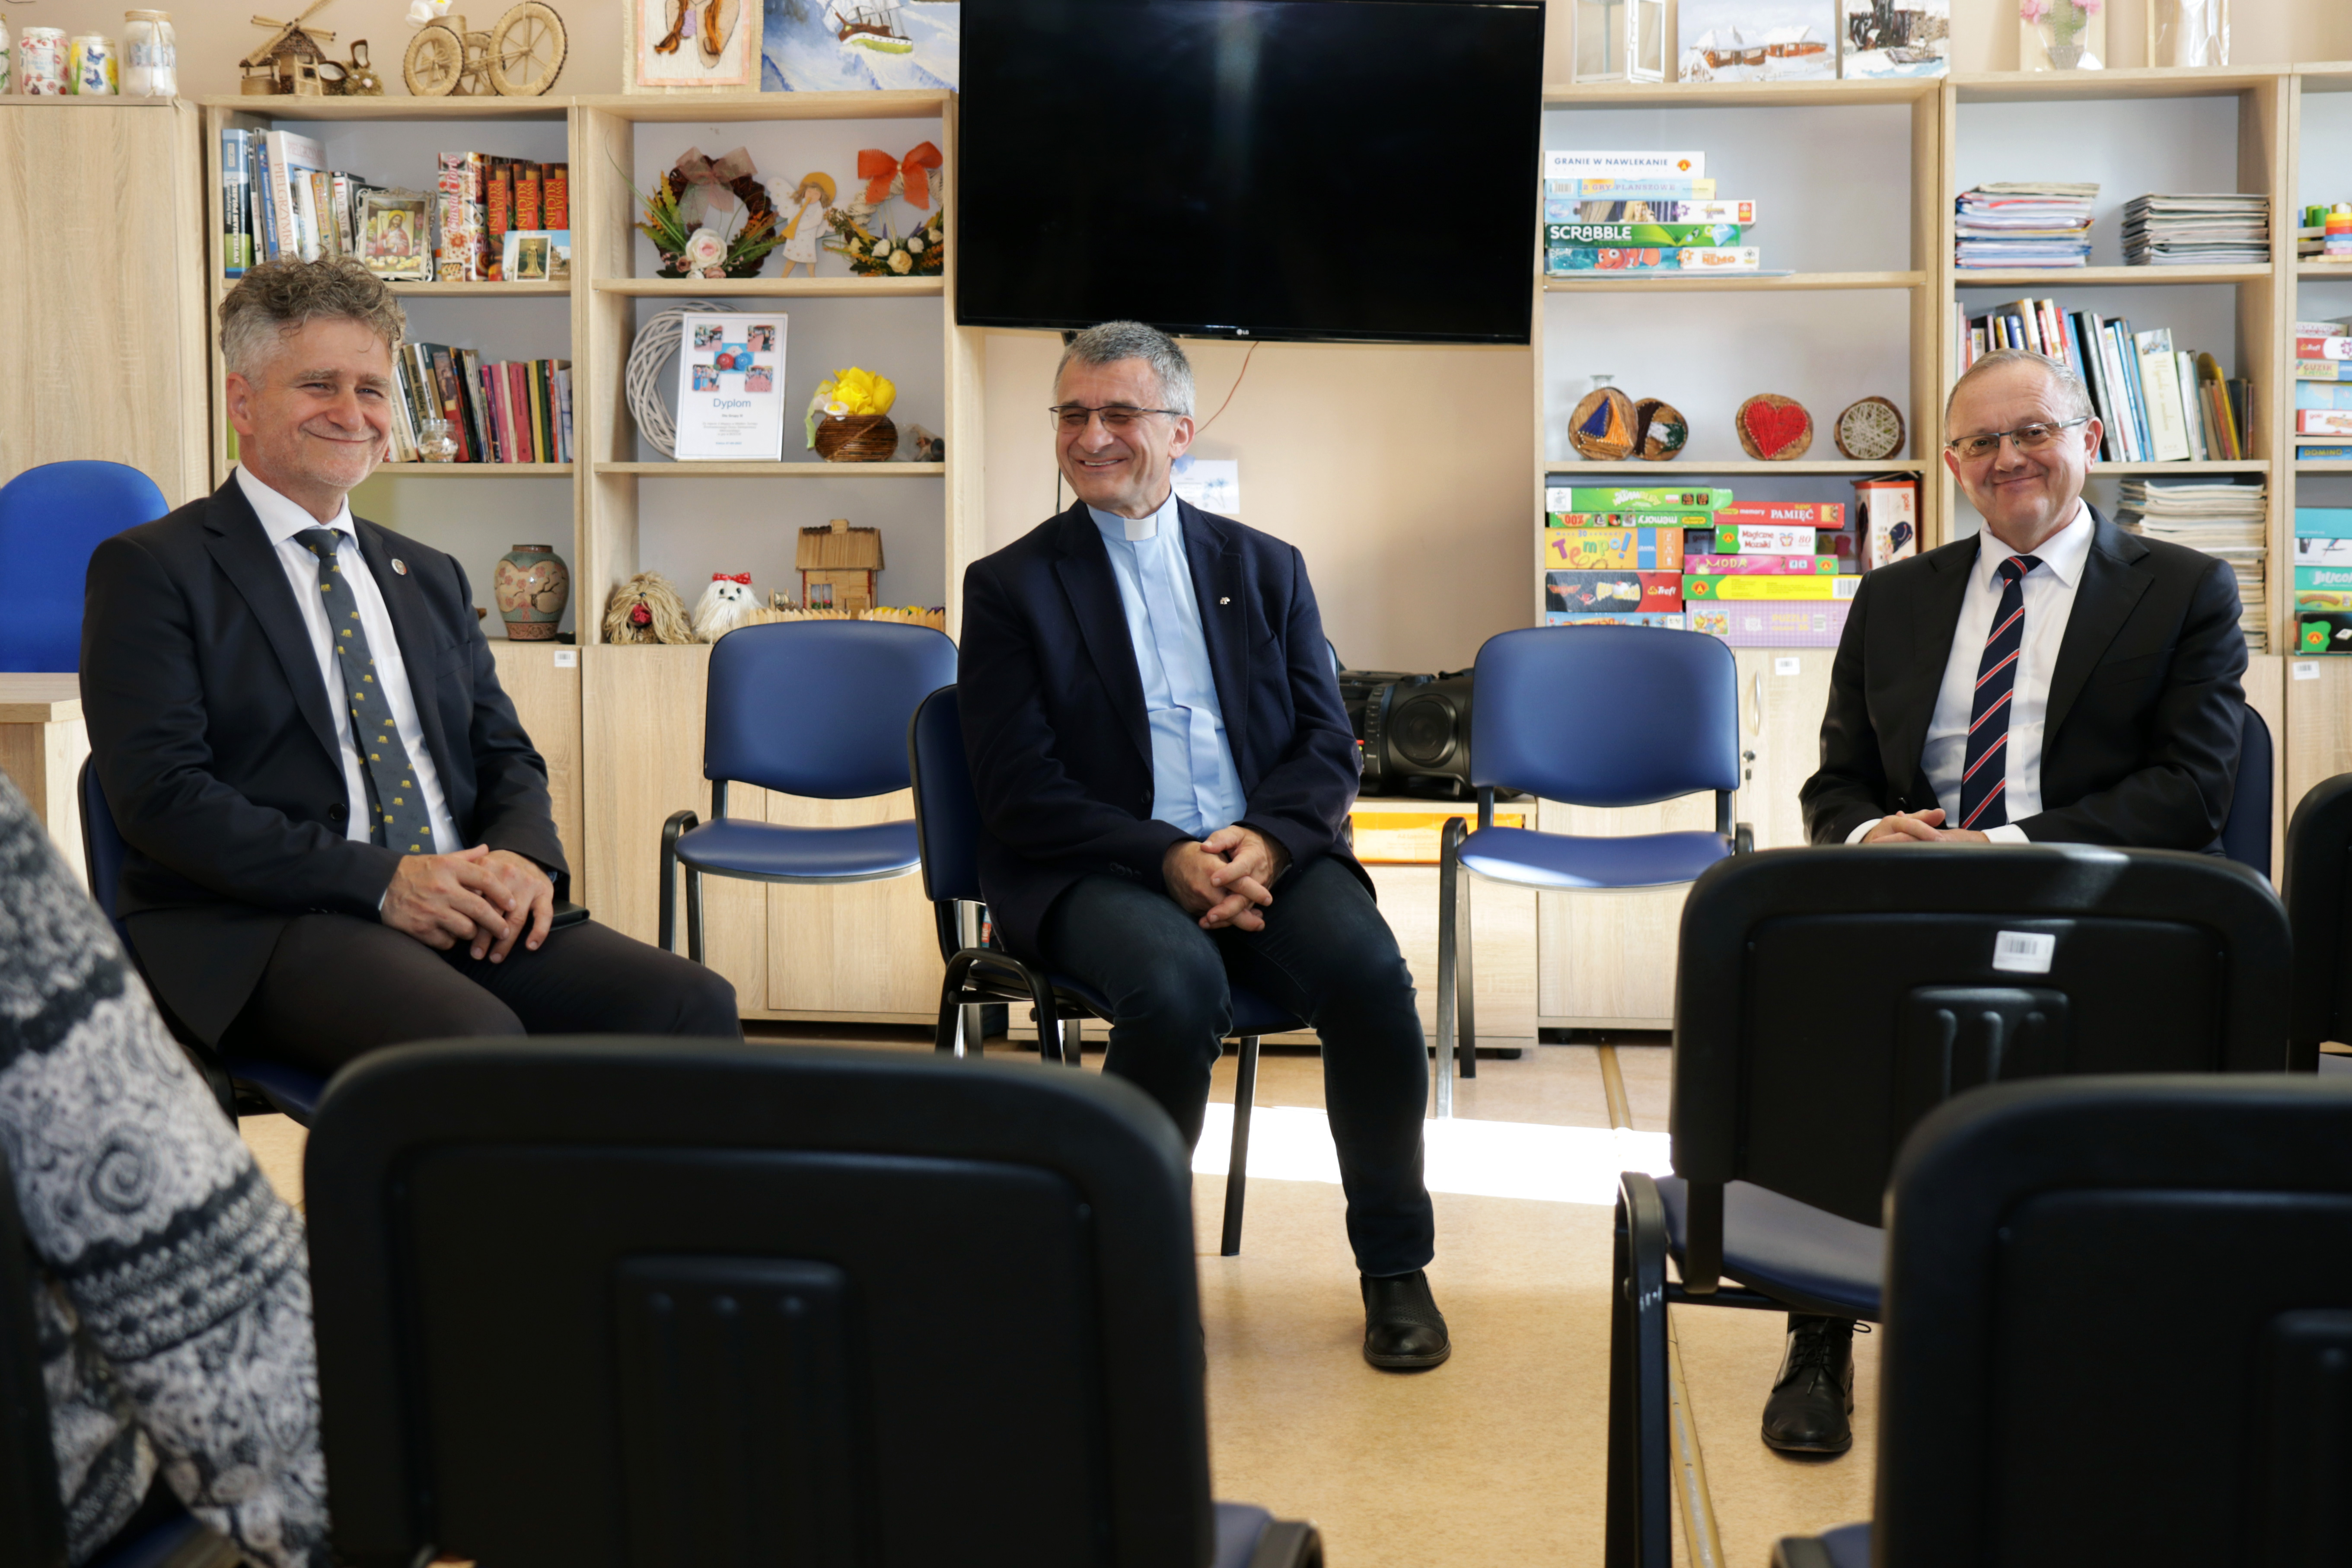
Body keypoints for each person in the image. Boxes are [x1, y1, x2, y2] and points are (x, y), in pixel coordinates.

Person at [82, 256, 739, 1078]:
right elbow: (163, 797)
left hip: (457, 899)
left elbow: (504, 755)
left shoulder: (428, 573)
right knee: (472, 1044)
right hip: (271, 920)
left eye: (371, 389)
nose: (351, 413)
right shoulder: (152, 568)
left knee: (688, 1004)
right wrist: (387, 881)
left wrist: (523, 859)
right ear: (241, 402)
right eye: (318, 385)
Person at [957, 321, 1447, 1370]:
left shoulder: (1265, 567)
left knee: (1370, 976)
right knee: (1177, 987)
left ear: (1180, 431)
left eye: (1118, 413)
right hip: (1095, 864)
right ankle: (1131, 1273)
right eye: (1073, 413)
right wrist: (1163, 858)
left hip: (1261, 850)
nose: (1091, 435)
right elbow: (1017, 787)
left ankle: (1395, 1267)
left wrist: (1266, 842)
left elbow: (1328, 742)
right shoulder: (1010, 586)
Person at [1785, 345, 2247, 1455]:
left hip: (2096, 901)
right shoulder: (1895, 595)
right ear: (1952, 464)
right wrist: (1870, 834)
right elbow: (1837, 780)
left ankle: (2089, 1325)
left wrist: (1996, 847)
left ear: (2088, 438)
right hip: (1917, 895)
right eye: (1982, 441)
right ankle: (1821, 1325)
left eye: (2034, 430)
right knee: (1818, 998)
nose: (2010, 458)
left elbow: (2192, 791)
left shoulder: (2187, 587)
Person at [0, 769, 328, 1565]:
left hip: (462, 895)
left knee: (656, 1006)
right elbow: (211, 1314)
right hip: (62, 1509)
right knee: (473, 1040)